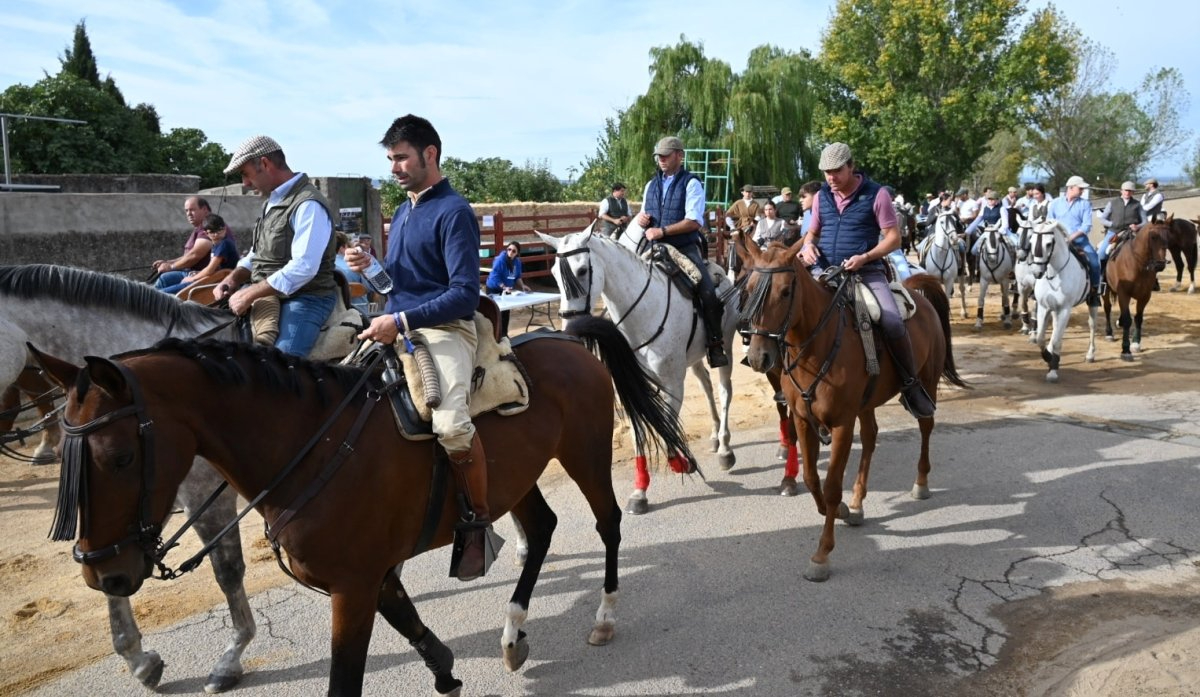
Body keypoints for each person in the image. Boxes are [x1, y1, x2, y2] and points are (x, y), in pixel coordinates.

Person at [347, 114, 494, 581]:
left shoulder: (454, 211)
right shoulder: (407, 209)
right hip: (397, 323)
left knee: (451, 426)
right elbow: (396, 284)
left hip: (447, 329)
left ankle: (477, 522)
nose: (394, 167)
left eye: (401, 157)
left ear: (430, 154)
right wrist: (370, 267)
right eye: (390, 159)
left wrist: (400, 319)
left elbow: (464, 294)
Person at [798, 142, 935, 419]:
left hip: (865, 272)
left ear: (851, 166)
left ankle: (910, 384)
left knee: (891, 319)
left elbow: (893, 238)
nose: (831, 178)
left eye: (836, 171)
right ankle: (787, 382)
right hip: (823, 271)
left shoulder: (877, 195)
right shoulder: (822, 197)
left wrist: (865, 257)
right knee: (787, 310)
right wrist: (808, 247)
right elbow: (811, 234)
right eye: (826, 173)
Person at [212, 135, 338, 358]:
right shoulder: (272, 201)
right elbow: (256, 254)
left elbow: (304, 268)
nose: (245, 183)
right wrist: (233, 279)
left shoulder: (308, 204)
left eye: (245, 173)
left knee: (280, 365)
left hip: (306, 297)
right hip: (268, 293)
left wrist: (250, 293)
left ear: (265, 163)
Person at [636, 135, 729, 368]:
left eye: (666, 155)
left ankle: (715, 344)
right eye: (659, 156)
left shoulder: (692, 183)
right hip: (653, 247)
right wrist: (641, 218)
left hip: (684, 246)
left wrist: (662, 231)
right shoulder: (651, 184)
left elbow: (694, 221)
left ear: (680, 155)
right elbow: (645, 213)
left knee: (707, 290)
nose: (662, 160)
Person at [1048, 175, 1101, 306]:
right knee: (1040, 258)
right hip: (1058, 241)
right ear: (1071, 188)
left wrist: (1071, 237)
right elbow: (1049, 221)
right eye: (1080, 188)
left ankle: (1094, 291)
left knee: (1094, 261)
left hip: (1079, 240)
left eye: (1083, 189)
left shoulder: (1085, 204)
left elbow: (1086, 225)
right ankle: (1036, 288)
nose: (1082, 191)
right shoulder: (1055, 203)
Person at [158, 213, 241, 295]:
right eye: (212, 232)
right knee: (164, 282)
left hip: (218, 283)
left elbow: (210, 270)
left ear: (225, 229)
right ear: (206, 233)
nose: (216, 234)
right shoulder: (216, 245)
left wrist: (192, 279)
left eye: (220, 230)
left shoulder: (224, 244)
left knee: (162, 294)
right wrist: (197, 273)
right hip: (213, 279)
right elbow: (216, 268)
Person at [153, 196, 218, 290]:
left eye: (192, 210)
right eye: (186, 211)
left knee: (160, 294)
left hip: (201, 277)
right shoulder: (199, 228)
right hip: (189, 273)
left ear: (204, 209)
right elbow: (188, 255)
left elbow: (195, 255)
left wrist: (171, 266)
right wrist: (167, 262)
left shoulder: (211, 228)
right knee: (163, 279)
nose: (189, 214)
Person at [1097, 180, 1146, 293]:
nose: (1128, 193)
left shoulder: (1137, 205)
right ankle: (1100, 278)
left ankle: (1152, 280)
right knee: (1101, 253)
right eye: (1126, 190)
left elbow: (1145, 221)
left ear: (1133, 192)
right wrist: (1112, 224)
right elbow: (1102, 219)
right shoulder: (1112, 203)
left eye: (1130, 191)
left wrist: (1137, 226)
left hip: (1131, 233)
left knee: (1146, 252)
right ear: (1121, 191)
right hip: (1114, 232)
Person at [485, 241, 531, 336]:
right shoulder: (500, 260)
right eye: (509, 249)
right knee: (495, 312)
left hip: (507, 290)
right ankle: (494, 335)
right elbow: (495, 276)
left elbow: (517, 276)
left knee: (505, 313)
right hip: (494, 288)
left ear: (517, 253)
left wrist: (522, 286)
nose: (510, 252)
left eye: (513, 251)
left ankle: (504, 335)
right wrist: (503, 287)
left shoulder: (517, 262)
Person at [333, 231, 371, 314]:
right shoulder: (355, 266)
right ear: (343, 247)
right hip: (359, 315)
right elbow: (369, 288)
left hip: (332, 316)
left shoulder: (322, 269)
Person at [967, 190, 1009, 257]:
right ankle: (978, 265)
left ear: (997, 200)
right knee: (974, 250)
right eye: (989, 199)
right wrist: (968, 231)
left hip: (999, 231)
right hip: (987, 232)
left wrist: (1000, 231)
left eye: (993, 199)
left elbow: (1005, 224)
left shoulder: (1002, 209)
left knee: (1014, 244)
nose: (990, 201)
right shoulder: (984, 209)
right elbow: (977, 221)